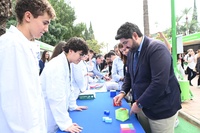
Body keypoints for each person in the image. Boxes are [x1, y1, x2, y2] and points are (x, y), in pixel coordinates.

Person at [113, 22, 181, 133]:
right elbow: (129, 76)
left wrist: (139, 103)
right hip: (142, 107)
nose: (124, 48)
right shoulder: (131, 53)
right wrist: (122, 92)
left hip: (161, 108)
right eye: (122, 44)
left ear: (135, 36)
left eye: (126, 43)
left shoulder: (157, 48)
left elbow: (159, 83)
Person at [0, 0, 55, 132]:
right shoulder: (12, 45)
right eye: (45, 23)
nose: (46, 29)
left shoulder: (23, 45)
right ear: (28, 16)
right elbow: (17, 103)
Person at [40, 37, 88, 133]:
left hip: (57, 112)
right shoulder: (56, 66)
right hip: (48, 113)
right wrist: (66, 124)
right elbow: (56, 97)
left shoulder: (67, 63)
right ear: (70, 51)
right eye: (80, 54)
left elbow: (69, 88)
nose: (82, 58)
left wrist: (73, 105)